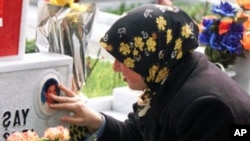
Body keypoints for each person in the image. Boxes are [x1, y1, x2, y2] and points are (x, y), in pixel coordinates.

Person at [49, 4, 250, 141]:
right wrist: (92, 119)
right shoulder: (168, 76)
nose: (115, 67)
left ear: (149, 55)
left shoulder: (206, 105)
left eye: (123, 59)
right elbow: (135, 134)